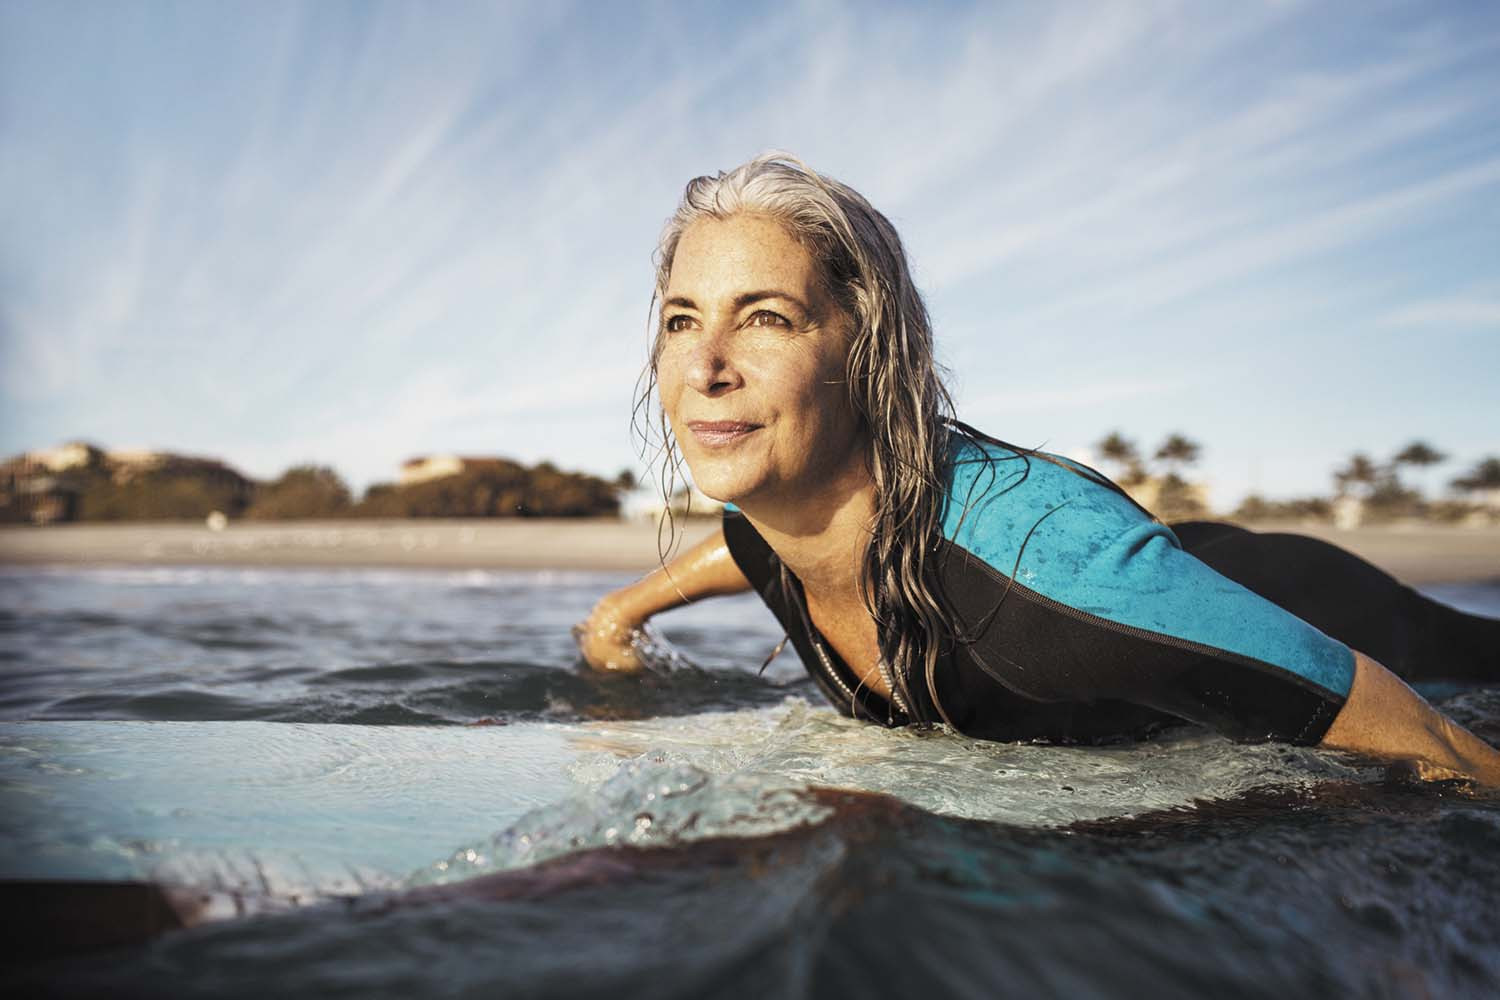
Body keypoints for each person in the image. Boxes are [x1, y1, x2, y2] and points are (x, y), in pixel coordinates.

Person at [575, 152, 1500, 785]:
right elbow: (747, 544)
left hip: (1336, 622)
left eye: (766, 317)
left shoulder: (1037, 585)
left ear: (868, 351)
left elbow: (1431, 742)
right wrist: (624, 611)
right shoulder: (784, 513)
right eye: (681, 320)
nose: (705, 367)